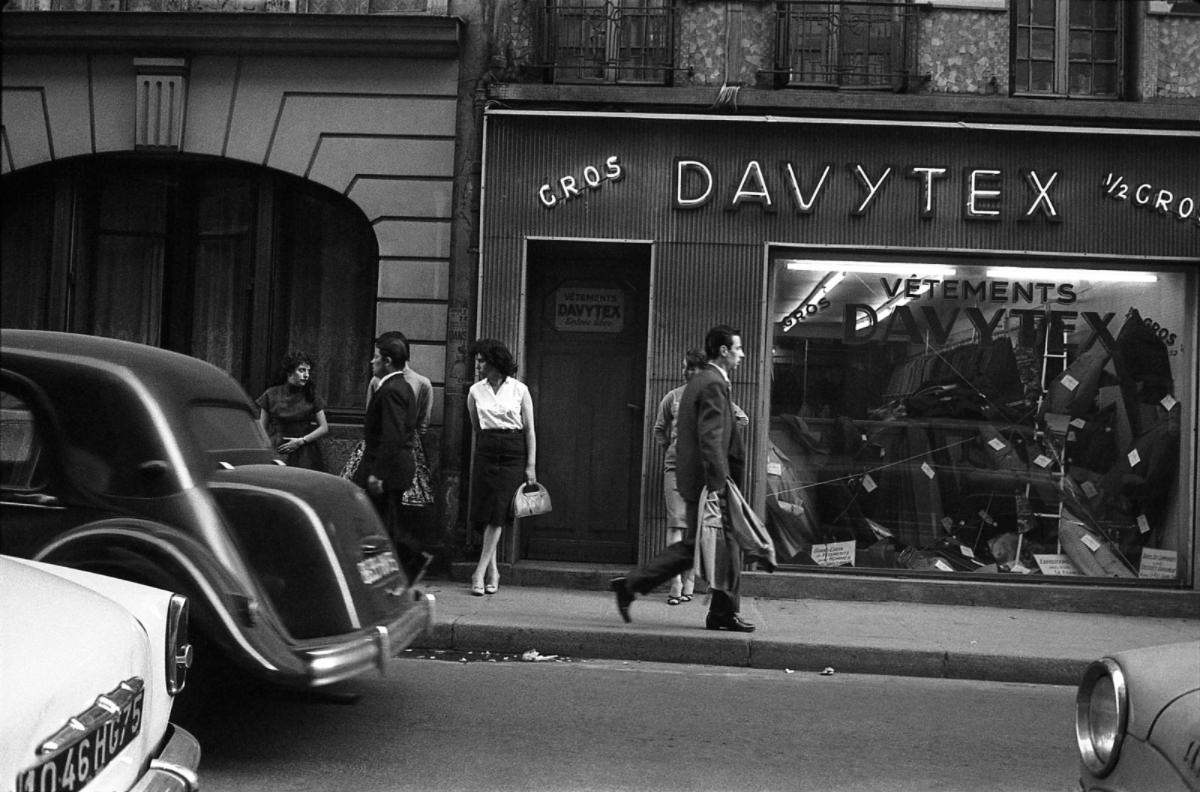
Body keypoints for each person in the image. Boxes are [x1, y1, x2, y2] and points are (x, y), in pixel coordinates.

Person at [611, 324, 754, 632]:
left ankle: (717, 611)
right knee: (722, 545)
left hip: (704, 481)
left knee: (700, 546)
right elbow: (711, 439)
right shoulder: (713, 383)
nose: (742, 354)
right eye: (738, 348)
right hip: (711, 483)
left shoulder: (707, 382)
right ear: (724, 351)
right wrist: (717, 485)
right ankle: (721, 613)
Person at [466, 338, 537, 597]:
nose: (478, 365)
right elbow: (475, 424)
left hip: (512, 450)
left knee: (499, 510)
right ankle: (494, 572)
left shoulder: (519, 390)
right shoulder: (475, 391)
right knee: (486, 510)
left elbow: (529, 429)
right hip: (486, 448)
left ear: (495, 362)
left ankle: (479, 570)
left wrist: (530, 465)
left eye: (482, 361)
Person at [355, 335, 425, 581]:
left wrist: (377, 474)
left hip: (387, 469)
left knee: (378, 525)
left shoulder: (392, 389)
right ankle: (394, 572)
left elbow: (392, 436)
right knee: (384, 524)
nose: (371, 362)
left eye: (375, 358)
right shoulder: (402, 386)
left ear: (386, 361)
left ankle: (410, 562)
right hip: (393, 468)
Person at [653, 349, 707, 606]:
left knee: (694, 530)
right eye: (686, 367)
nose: (688, 372)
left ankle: (690, 582)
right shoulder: (672, 397)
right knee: (676, 525)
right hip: (675, 469)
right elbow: (659, 428)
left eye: (694, 368)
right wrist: (671, 448)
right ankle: (675, 583)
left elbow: (741, 419)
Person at [256, 351, 329, 472]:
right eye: (301, 370)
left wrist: (301, 441)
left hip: (304, 452)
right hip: (278, 448)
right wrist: (265, 450)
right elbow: (261, 428)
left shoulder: (311, 395)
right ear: (289, 372)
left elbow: (324, 427)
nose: (306, 375)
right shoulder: (271, 394)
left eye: (308, 371)